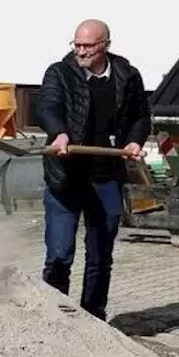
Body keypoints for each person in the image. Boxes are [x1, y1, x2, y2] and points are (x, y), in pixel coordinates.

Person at [37, 19, 150, 321]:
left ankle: (93, 317)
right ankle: (55, 318)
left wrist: (135, 141)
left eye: (88, 45)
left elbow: (141, 116)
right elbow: (47, 107)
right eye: (77, 44)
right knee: (59, 256)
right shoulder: (60, 72)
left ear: (106, 45)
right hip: (65, 178)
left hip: (106, 179)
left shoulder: (126, 75)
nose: (81, 51)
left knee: (101, 257)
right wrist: (59, 132)